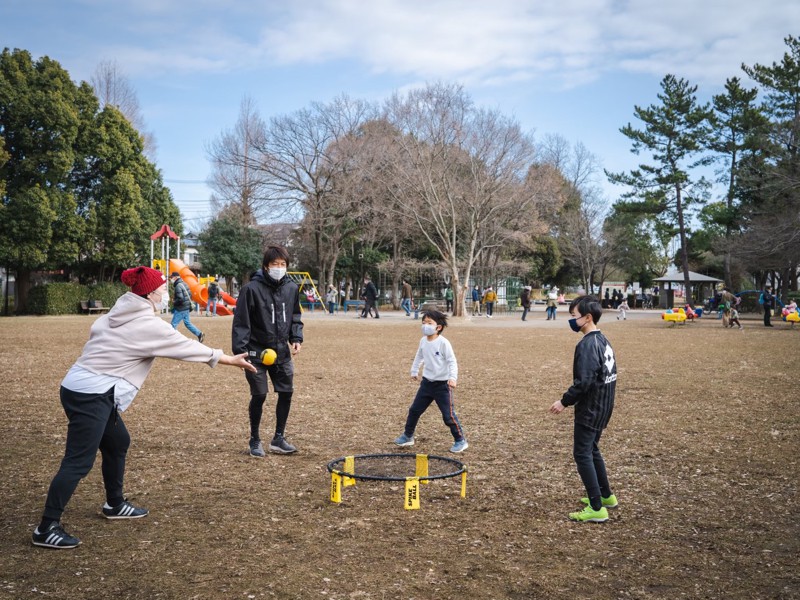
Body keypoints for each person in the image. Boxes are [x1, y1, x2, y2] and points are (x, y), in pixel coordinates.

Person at [32, 266, 256, 549]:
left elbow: (98, 331)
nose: (166, 293)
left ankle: (114, 504)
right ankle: (46, 527)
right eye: (162, 289)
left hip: (79, 387)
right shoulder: (147, 325)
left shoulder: (117, 312)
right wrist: (228, 359)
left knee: (117, 442)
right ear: (150, 294)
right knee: (78, 461)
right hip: (92, 394)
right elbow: (186, 348)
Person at [549, 295, 617, 523]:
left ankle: (596, 507)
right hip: (604, 406)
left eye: (573, 316)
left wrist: (564, 401)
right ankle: (606, 496)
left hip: (591, 409)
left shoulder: (587, 345)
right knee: (592, 449)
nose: (571, 320)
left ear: (587, 318)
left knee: (582, 454)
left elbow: (584, 382)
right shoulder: (603, 340)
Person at [232, 245, 304, 457]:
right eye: (275, 264)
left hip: (281, 352)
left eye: (283, 264)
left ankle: (278, 438)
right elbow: (241, 323)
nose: (279, 268)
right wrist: (240, 353)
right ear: (265, 266)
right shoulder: (250, 290)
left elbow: (295, 316)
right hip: (256, 353)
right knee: (259, 394)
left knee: (286, 392)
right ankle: (255, 439)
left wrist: (296, 337)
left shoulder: (291, 288)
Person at [394, 310, 467, 453]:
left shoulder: (443, 343)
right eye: (423, 323)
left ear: (438, 327)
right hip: (427, 384)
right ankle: (408, 436)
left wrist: (453, 378)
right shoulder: (423, 341)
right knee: (414, 410)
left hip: (442, 386)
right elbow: (419, 356)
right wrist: (414, 370)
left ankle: (460, 440)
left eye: (429, 323)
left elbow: (452, 362)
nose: (425, 326)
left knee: (448, 415)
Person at [170, 272, 204, 343]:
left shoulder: (178, 286)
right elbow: (190, 294)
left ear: (175, 277)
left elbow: (180, 298)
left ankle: (172, 341)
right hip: (186, 307)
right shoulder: (184, 283)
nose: (171, 279)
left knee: (173, 324)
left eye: (172, 277)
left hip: (181, 308)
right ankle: (199, 334)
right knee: (187, 323)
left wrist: (174, 302)